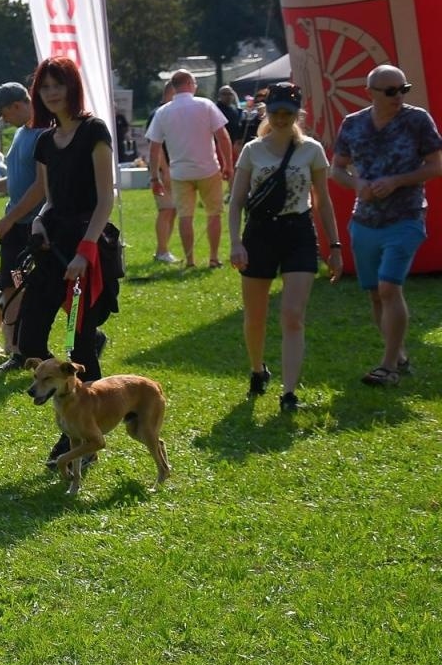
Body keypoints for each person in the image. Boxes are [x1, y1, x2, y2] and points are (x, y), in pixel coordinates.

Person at [0, 56, 120, 467]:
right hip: (50, 249)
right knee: (27, 341)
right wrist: (33, 223)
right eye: (44, 87)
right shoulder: (44, 141)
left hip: (86, 249)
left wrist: (85, 250)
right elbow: (47, 197)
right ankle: (69, 384)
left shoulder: (94, 132)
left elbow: (107, 198)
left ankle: (83, 436)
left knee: (80, 340)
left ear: (71, 88)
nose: (50, 93)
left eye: (57, 85)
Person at [227, 82, 343, 411]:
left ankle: (289, 392)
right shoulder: (252, 150)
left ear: (297, 115)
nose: (280, 118)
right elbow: (235, 203)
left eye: (287, 114)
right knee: (256, 316)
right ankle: (257, 368)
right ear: (266, 112)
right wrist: (236, 243)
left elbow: (322, 202)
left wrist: (334, 245)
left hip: (298, 233)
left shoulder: (311, 150)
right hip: (260, 235)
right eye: (274, 112)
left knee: (293, 316)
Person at [329, 64, 442, 386]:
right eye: (391, 91)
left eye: (403, 89)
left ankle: (389, 366)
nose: (399, 97)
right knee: (375, 296)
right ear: (371, 93)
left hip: (406, 217)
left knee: (389, 288)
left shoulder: (417, 120)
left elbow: (436, 166)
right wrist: (357, 183)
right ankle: (400, 353)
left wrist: (397, 181)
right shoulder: (353, 124)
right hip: (364, 221)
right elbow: (337, 169)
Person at [0, 82, 43, 370]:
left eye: (4, 113)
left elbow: (40, 187)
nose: (3, 120)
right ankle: (16, 352)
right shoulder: (21, 134)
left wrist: (10, 219)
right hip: (15, 230)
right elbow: (16, 181)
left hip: (29, 228)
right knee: (10, 288)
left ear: (17, 105)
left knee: (33, 288)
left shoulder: (41, 135)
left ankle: (23, 350)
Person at [146, 69, 234, 268]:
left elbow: (154, 148)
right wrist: (228, 164)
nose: (196, 86)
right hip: (208, 169)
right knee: (214, 213)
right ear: (188, 84)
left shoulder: (163, 111)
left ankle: (190, 260)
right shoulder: (206, 105)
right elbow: (223, 137)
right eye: (194, 83)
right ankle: (213, 258)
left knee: (185, 217)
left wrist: (154, 177)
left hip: (179, 172)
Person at [147, 79, 179, 263]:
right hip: (161, 170)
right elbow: (155, 147)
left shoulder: (167, 113)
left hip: (170, 169)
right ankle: (161, 251)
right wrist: (164, 171)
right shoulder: (158, 114)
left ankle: (164, 250)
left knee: (172, 210)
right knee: (166, 210)